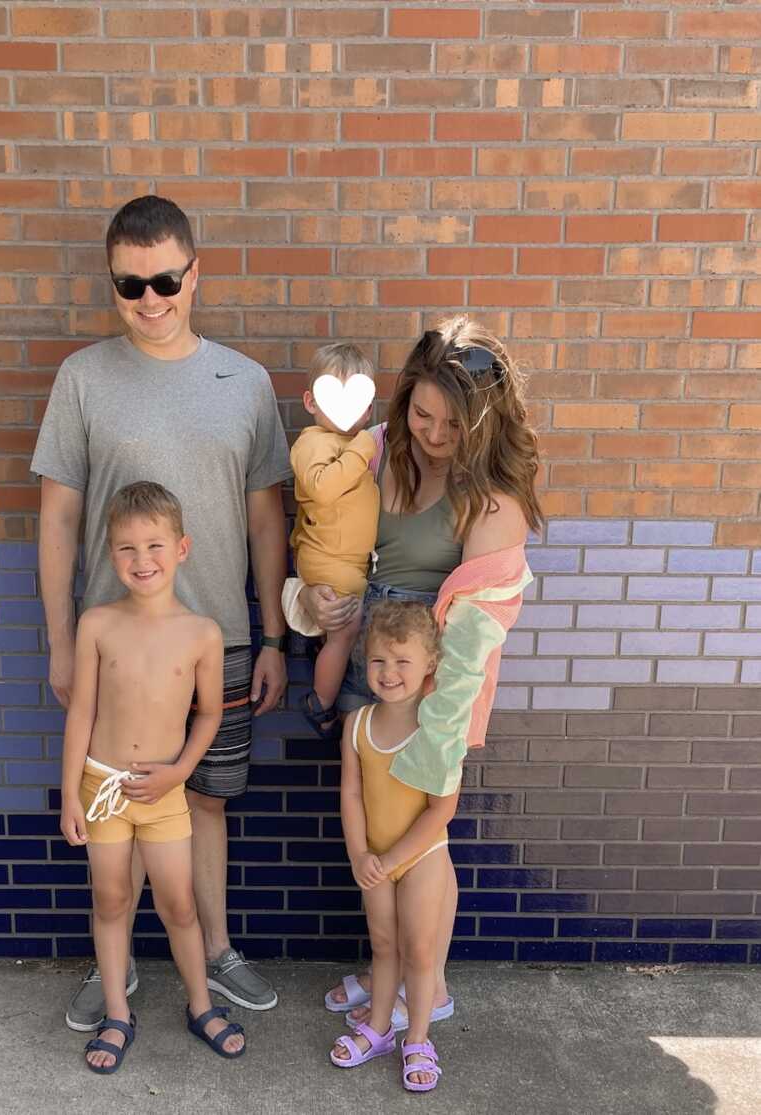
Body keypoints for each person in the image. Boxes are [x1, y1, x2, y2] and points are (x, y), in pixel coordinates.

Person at [33, 195, 290, 1030]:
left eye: (166, 279)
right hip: (113, 645)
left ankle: (212, 953)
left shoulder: (244, 383)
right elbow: (60, 518)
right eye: (130, 285)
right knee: (112, 789)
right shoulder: (83, 378)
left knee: (202, 801)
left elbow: (264, 518)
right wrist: (61, 642)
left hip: (218, 635)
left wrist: (276, 635)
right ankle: (119, 969)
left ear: (194, 272)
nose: (150, 300)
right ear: (112, 284)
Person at [300, 316, 543, 1030]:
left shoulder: (492, 495)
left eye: (451, 423)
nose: (434, 435)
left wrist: (440, 733)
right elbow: (329, 534)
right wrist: (318, 593)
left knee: (426, 837)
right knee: (375, 827)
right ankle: (388, 969)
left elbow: (472, 637)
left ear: (486, 420)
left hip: (435, 679)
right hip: (367, 657)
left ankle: (426, 984)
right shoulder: (379, 453)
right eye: (422, 413)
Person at [61, 482, 247, 1071]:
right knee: (112, 900)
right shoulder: (95, 624)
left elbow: (211, 712)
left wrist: (180, 773)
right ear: (108, 556)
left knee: (180, 905)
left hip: (166, 795)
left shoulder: (202, 633)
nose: (142, 561)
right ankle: (118, 1012)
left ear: (183, 548)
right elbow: (83, 713)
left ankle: (200, 1005)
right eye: (126, 549)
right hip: (103, 789)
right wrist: (70, 793)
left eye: (154, 545)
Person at [330, 601, 456, 1092]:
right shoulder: (357, 724)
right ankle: (379, 1028)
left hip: (420, 857)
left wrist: (389, 859)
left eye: (404, 661)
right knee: (383, 945)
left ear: (430, 664)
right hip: (375, 858)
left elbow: (440, 810)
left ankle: (418, 1038)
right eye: (380, 660)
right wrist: (361, 853)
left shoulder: (436, 726)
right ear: (366, 661)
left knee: (420, 952)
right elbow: (352, 793)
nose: (390, 672)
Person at [288, 343, 379, 738]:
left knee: (348, 631)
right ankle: (321, 702)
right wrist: (361, 450)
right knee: (347, 627)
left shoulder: (351, 446)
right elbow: (323, 489)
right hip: (328, 558)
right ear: (311, 401)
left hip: (351, 560)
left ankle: (334, 685)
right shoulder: (312, 443)